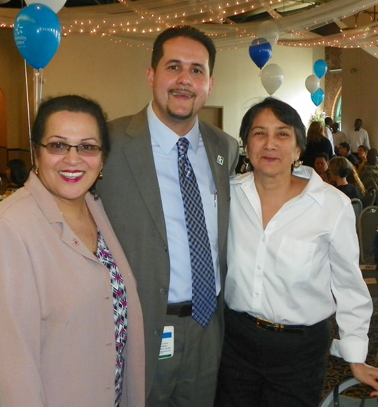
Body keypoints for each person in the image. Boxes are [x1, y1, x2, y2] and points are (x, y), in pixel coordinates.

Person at [0, 95, 145, 407]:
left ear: (102, 158)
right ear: (36, 152)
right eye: (58, 145)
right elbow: (8, 371)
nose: (72, 159)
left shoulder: (96, 210)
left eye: (87, 146)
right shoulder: (8, 228)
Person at [215, 97, 378, 407]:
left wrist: (356, 357)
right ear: (246, 144)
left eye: (282, 134)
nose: (270, 144)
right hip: (236, 342)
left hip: (300, 349)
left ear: (298, 149)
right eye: (259, 133)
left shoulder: (330, 205)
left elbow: (349, 285)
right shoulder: (228, 195)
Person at [97, 25, 239, 407]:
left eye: (196, 70)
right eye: (173, 66)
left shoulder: (224, 147)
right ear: (151, 75)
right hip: (139, 328)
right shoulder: (108, 145)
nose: (184, 80)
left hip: (208, 329)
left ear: (210, 83)